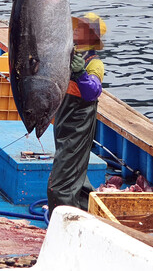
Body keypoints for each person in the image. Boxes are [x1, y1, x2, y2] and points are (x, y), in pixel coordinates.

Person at [47, 12, 106, 218]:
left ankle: (63, 218)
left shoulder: (94, 64)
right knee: (74, 166)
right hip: (65, 119)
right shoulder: (71, 54)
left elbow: (93, 92)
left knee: (62, 178)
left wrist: (81, 74)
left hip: (79, 122)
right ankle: (82, 203)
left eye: (80, 28)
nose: (74, 30)